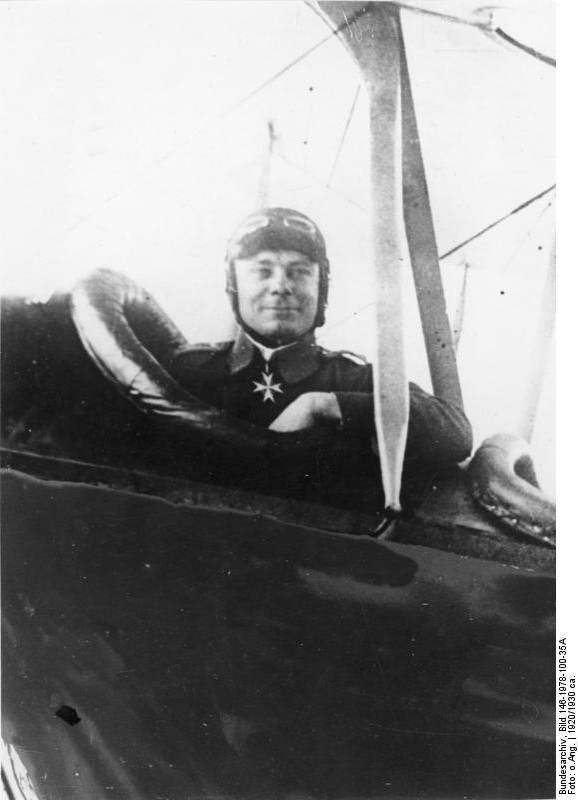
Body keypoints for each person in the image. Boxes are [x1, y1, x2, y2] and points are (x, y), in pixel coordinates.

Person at [167, 207, 472, 473]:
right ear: (234, 286)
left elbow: (455, 433)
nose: (281, 286)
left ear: (321, 288)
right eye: (262, 271)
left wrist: (324, 404)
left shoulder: (350, 379)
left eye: (299, 272)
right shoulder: (190, 370)